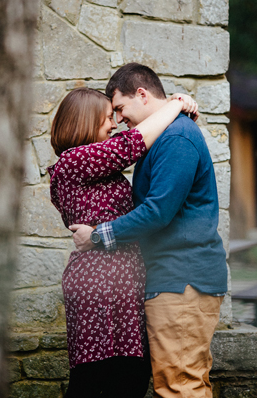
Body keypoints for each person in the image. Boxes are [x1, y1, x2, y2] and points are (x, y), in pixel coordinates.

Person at [69, 63, 228, 398]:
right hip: (170, 279)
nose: (119, 120)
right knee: (174, 383)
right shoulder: (162, 138)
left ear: (141, 94)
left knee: (180, 386)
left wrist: (98, 235)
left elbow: (158, 212)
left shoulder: (177, 137)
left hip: (181, 279)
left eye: (121, 108)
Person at [48, 87, 197, 398]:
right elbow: (131, 145)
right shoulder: (73, 162)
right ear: (84, 122)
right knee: (95, 378)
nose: (114, 124)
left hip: (120, 280)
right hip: (97, 281)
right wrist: (176, 104)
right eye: (106, 118)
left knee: (128, 376)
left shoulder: (93, 166)